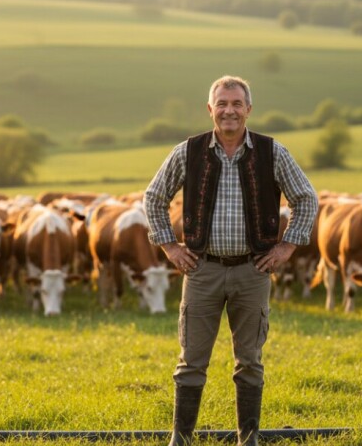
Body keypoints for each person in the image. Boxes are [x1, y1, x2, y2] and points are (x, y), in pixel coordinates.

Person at [144, 75, 318, 446]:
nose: (229, 111)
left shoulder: (273, 153)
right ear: (210, 109)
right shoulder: (187, 152)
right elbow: (154, 197)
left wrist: (287, 247)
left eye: (237, 104)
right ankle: (182, 439)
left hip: (252, 270)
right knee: (191, 361)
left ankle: (249, 439)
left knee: (250, 361)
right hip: (202, 269)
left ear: (249, 110)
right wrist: (170, 247)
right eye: (222, 104)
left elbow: (306, 199)